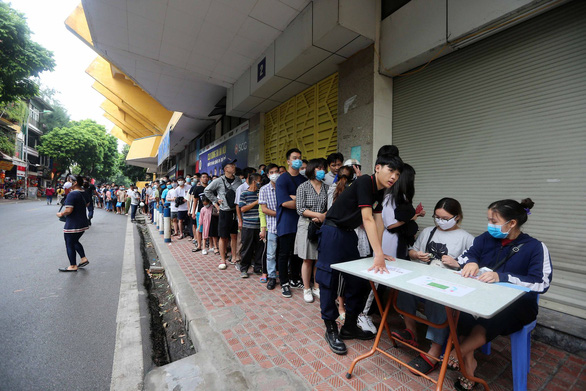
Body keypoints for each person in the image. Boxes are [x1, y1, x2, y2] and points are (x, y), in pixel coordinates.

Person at [444, 198, 552, 391]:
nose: (490, 225)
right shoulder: (485, 238)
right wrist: (472, 262)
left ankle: (457, 352)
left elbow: (541, 283)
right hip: (481, 295)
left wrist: (502, 277)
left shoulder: (535, 247)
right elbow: (466, 256)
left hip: (517, 305)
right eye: (489, 220)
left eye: (494, 221)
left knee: (492, 315)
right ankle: (469, 363)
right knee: (460, 309)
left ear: (512, 223)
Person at [317, 154, 403, 355]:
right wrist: (378, 254)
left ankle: (349, 327)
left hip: (348, 235)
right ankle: (330, 328)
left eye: (397, 174)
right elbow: (367, 218)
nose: (394, 177)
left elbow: (378, 221)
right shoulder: (365, 182)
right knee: (329, 281)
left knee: (359, 281)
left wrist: (379, 252)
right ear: (378, 168)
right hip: (332, 232)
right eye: (391, 171)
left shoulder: (381, 191)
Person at [391, 198, 474, 375]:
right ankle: (411, 331)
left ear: (457, 217)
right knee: (404, 288)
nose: (440, 221)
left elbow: (473, 267)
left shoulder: (467, 239)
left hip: (446, 288)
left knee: (439, 301)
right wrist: (416, 254)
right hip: (422, 280)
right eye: (437, 217)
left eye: (445, 218)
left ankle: (434, 351)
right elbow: (411, 250)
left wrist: (457, 263)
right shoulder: (428, 231)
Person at [295, 158, 328, 303]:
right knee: (308, 259)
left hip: (322, 226)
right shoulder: (303, 187)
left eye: (323, 168)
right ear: (311, 169)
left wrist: (324, 216)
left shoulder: (327, 187)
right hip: (307, 225)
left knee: (319, 258)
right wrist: (318, 215)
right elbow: (300, 209)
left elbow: (331, 207)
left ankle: (317, 286)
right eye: (318, 168)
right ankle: (306, 288)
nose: (321, 170)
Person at [275, 148, 307, 298]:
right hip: (286, 223)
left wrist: (294, 198)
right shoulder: (282, 179)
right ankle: (284, 283)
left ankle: (295, 278)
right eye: (295, 158)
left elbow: (308, 201)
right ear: (288, 161)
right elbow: (285, 203)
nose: (298, 160)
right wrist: (298, 202)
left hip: (300, 223)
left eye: (299, 158)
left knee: (297, 254)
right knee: (284, 254)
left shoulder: (303, 180)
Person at [204, 158, 243, 270]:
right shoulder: (219, 181)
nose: (234, 167)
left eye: (234, 165)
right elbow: (207, 190)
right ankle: (222, 259)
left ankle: (234, 257)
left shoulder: (238, 180)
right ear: (226, 168)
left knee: (234, 235)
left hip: (235, 211)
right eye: (231, 165)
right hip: (224, 211)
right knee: (223, 236)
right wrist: (215, 200)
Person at [56, 175, 90, 272]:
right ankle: (83, 258)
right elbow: (87, 204)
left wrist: (61, 214)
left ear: (75, 183)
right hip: (82, 222)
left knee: (69, 243)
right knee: (74, 241)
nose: (67, 183)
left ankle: (73, 265)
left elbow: (69, 210)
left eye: (69, 181)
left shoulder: (72, 194)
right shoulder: (84, 193)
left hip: (73, 223)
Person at [238, 173, 264, 278]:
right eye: (259, 181)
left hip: (259, 226)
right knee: (247, 248)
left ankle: (258, 268)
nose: (260, 183)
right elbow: (242, 208)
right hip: (248, 226)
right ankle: (244, 268)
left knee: (259, 248)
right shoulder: (244, 193)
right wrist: (256, 202)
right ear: (254, 181)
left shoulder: (260, 192)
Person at [259, 164, 280, 290]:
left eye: (276, 171)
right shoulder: (264, 190)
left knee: (284, 253)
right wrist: (280, 214)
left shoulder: (284, 187)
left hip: (285, 226)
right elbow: (264, 209)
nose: (275, 174)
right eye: (271, 172)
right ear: (267, 175)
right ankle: (272, 277)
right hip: (272, 227)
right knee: (270, 254)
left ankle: (283, 275)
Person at [190, 173, 210, 252]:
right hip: (200, 212)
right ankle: (199, 245)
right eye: (203, 177)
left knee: (209, 228)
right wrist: (193, 212)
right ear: (200, 179)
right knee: (199, 229)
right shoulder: (197, 189)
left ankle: (210, 245)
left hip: (210, 211)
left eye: (206, 177)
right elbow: (195, 201)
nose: (205, 178)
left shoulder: (211, 188)